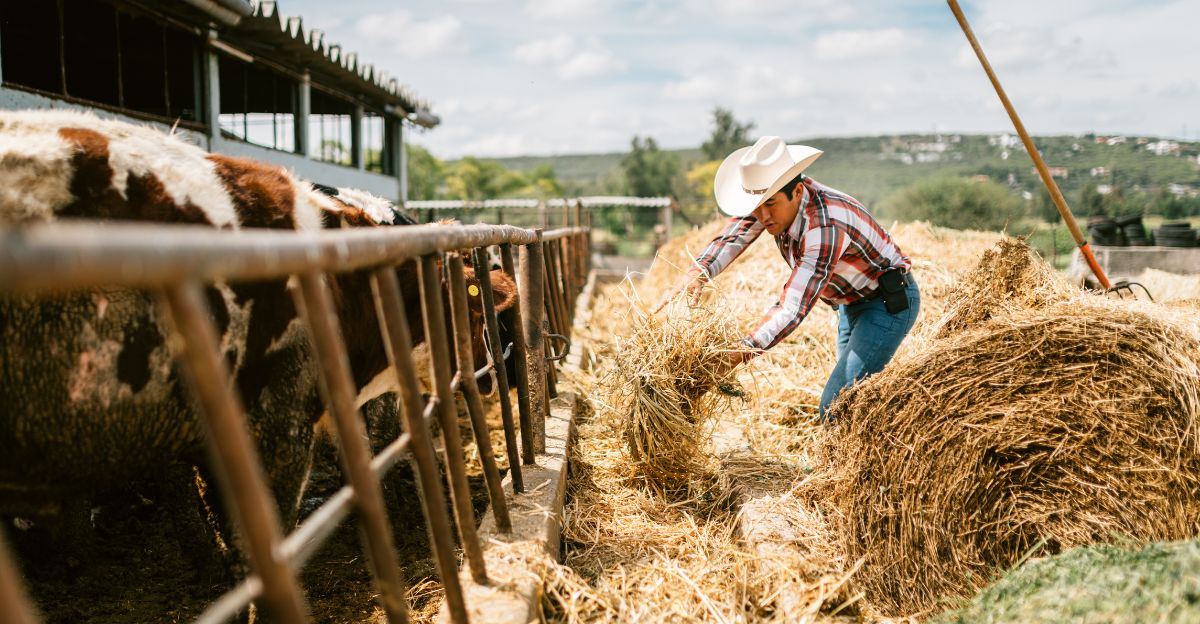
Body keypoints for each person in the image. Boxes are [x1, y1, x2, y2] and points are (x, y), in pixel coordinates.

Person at [656, 136, 920, 419]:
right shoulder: (769, 203)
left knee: (836, 406)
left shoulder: (824, 227)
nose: (763, 216)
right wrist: (698, 273)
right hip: (850, 303)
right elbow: (734, 235)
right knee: (852, 403)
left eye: (770, 204)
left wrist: (741, 351)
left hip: (886, 303)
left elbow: (792, 308)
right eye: (756, 206)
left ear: (797, 191)